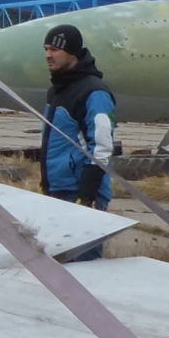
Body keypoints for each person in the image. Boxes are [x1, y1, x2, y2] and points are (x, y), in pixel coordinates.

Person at [40, 23, 116, 258]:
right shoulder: (58, 90)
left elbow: (102, 147)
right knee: (58, 266)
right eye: (46, 49)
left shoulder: (94, 93)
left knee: (84, 267)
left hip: (80, 194)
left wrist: (88, 195)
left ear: (71, 53)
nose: (48, 55)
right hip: (58, 191)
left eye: (54, 49)